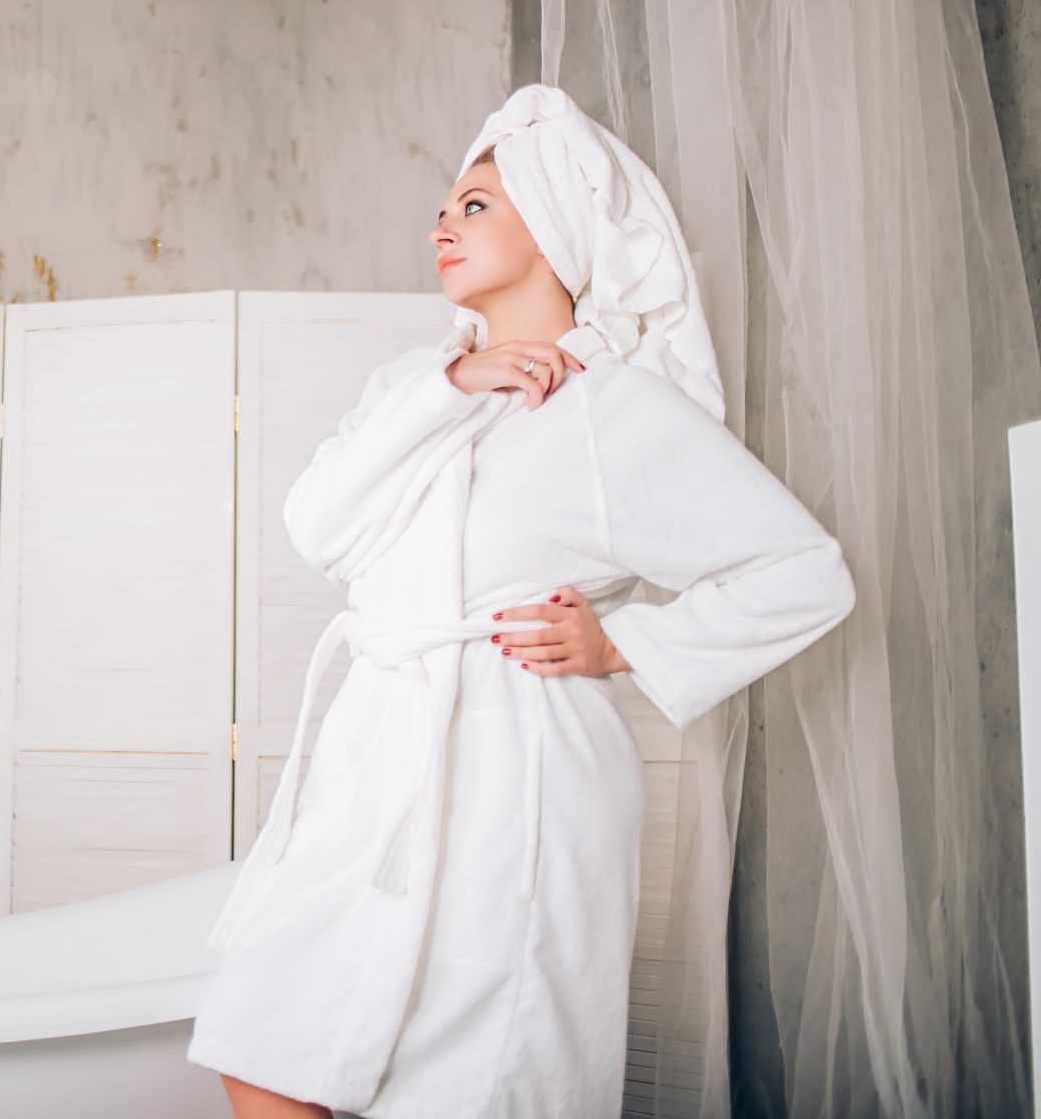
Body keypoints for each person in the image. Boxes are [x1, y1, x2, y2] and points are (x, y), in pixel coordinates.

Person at [183, 83, 857, 1118]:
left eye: (477, 205)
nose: (443, 223)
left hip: (521, 787)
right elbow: (315, 524)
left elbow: (806, 571)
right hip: (377, 777)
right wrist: (456, 386)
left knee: (478, 1086)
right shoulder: (414, 385)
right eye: (444, 207)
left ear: (553, 223)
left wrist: (624, 642)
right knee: (265, 1046)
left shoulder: (611, 407)